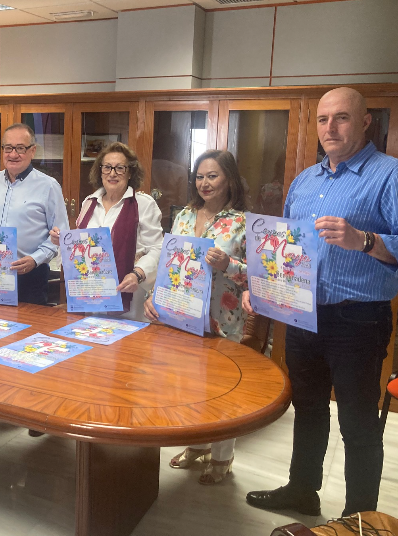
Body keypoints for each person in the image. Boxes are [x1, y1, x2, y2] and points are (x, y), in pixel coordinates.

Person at [244, 87, 398, 517]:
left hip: (358, 319)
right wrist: (261, 287)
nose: (330, 128)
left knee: (358, 425)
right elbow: (284, 248)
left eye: (341, 118)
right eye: (323, 120)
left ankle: (361, 518)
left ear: (364, 122)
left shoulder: (392, 174)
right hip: (302, 315)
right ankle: (303, 491)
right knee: (306, 410)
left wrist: (365, 241)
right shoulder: (305, 181)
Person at [143, 149, 249, 484]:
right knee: (190, 385)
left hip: (224, 317)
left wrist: (227, 265)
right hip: (184, 314)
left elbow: (259, 276)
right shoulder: (185, 215)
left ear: (229, 179)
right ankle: (197, 444)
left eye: (213, 176)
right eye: (200, 176)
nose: (204, 183)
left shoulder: (243, 222)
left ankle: (222, 456)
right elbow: (170, 263)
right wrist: (153, 296)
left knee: (222, 389)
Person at [49, 141, 163, 321]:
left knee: (127, 347)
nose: (112, 173)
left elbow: (157, 249)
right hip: (90, 295)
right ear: (100, 171)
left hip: (129, 296)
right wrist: (62, 242)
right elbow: (80, 246)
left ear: (130, 172)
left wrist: (138, 274)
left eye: (120, 168)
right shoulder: (89, 202)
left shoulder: (143, 204)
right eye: (107, 167)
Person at [0, 123, 69, 305]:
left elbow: (60, 235)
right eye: (8, 148)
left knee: (27, 329)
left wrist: (34, 259)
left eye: (20, 148)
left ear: (33, 151)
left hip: (29, 275)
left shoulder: (49, 186)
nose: (13, 154)